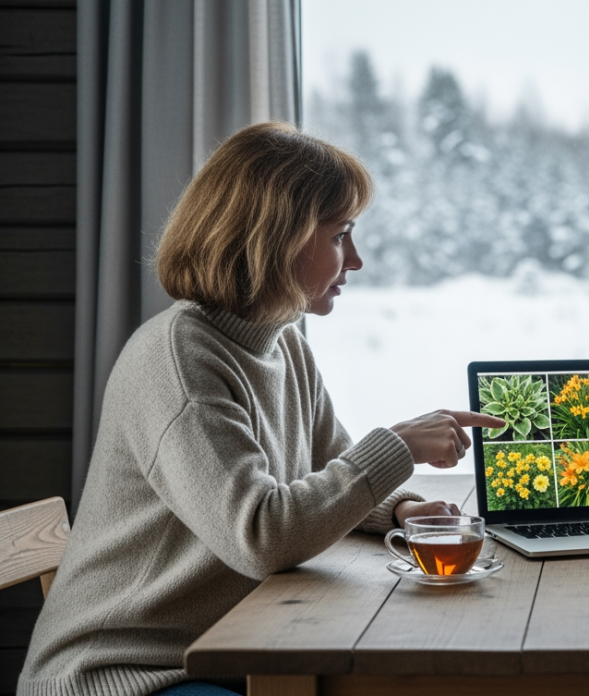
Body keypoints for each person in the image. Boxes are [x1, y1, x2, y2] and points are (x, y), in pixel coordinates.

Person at [17, 122, 505, 696]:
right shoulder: (180, 360)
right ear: (275, 237)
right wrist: (396, 446)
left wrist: (403, 512)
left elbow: (330, 468)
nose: (356, 260)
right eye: (339, 236)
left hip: (220, 652)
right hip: (128, 674)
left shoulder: (281, 341)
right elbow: (264, 536)